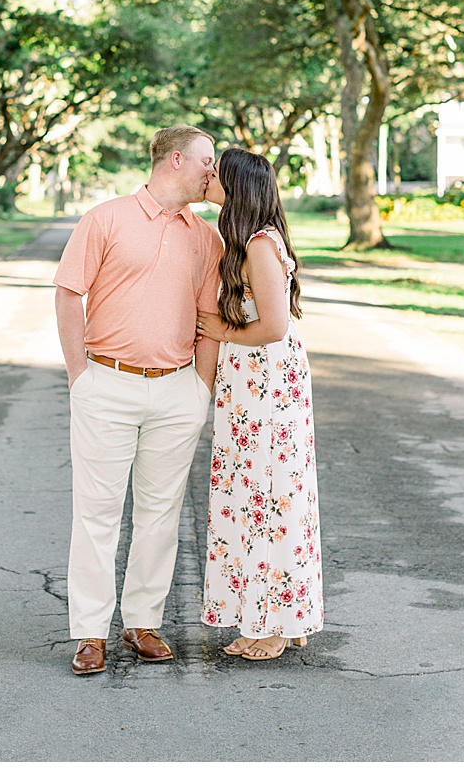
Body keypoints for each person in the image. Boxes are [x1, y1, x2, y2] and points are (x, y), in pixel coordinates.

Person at [53, 125, 223, 676]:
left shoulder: (207, 239)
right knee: (97, 514)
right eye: (207, 161)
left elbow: (209, 320)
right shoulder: (105, 219)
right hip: (106, 383)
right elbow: (67, 293)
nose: (212, 171)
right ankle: (90, 633)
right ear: (176, 159)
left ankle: (141, 622)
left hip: (177, 389)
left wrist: (199, 388)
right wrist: (80, 375)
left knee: (161, 514)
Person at [196, 147, 324, 660]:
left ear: (237, 187)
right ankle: (272, 615)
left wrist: (221, 330)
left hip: (267, 385)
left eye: (216, 173)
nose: (208, 177)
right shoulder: (245, 243)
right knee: (256, 495)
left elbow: (273, 327)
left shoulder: (260, 247)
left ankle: (274, 622)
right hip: (251, 385)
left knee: (269, 496)